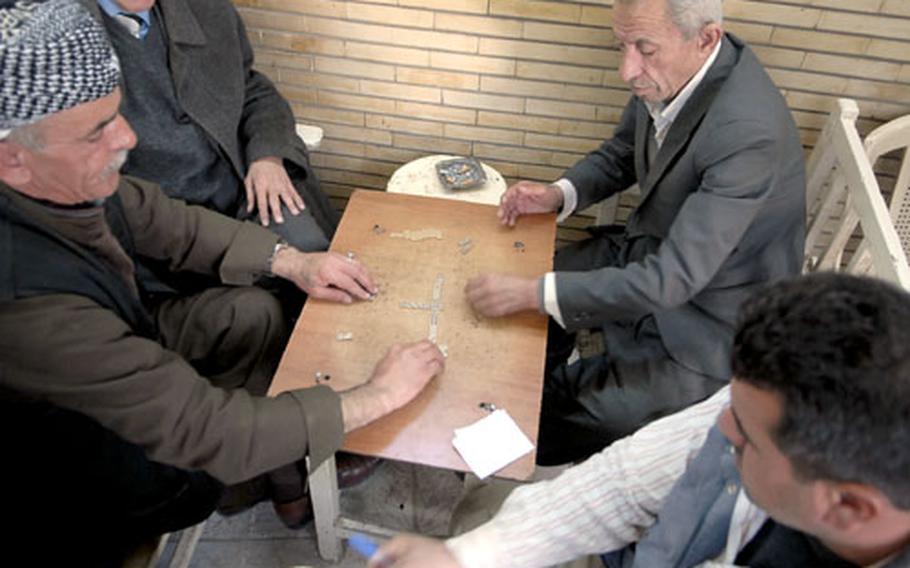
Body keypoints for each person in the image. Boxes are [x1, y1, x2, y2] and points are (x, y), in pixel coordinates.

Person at [0, 1, 444, 564]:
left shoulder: (61, 180)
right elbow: (208, 429)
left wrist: (291, 261)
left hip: (126, 325)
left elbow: (164, 219)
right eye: (97, 131)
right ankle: (264, 479)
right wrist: (376, 397)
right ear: (11, 159)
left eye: (117, 115)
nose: (128, 139)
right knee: (234, 425)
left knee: (258, 310)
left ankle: (284, 477)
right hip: (102, 468)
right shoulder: (29, 308)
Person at [465, 0, 806, 466]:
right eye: (622, 46)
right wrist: (559, 194)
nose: (628, 70)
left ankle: (529, 425)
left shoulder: (747, 133)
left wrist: (533, 293)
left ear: (706, 38)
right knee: (539, 289)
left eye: (644, 49)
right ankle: (528, 379)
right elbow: (626, 149)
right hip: (655, 253)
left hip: (712, 320)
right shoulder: (677, 72)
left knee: (566, 411)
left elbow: (672, 279)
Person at [375, 272, 910, 567]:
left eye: (745, 437)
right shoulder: (768, 409)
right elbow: (624, 482)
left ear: (847, 507)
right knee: (482, 508)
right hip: (643, 551)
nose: (721, 429)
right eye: (731, 406)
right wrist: (469, 558)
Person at [79, 0, 338, 256]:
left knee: (320, 257)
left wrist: (268, 156)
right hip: (169, 230)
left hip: (245, 188)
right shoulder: (60, 44)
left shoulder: (207, 9)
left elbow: (251, 90)